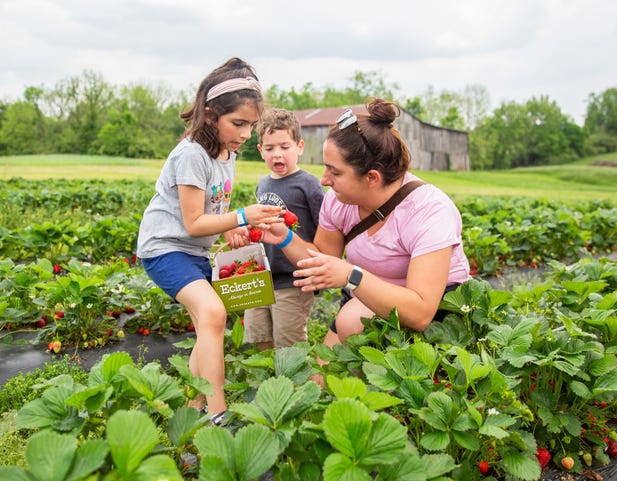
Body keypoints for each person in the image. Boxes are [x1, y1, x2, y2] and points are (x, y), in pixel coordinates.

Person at [256, 97, 470, 354]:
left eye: (334, 172)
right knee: (318, 383)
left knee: (353, 327)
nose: (324, 180)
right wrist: (285, 238)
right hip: (365, 296)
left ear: (372, 177)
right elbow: (322, 260)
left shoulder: (428, 210)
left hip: (435, 314)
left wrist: (351, 275)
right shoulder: (338, 201)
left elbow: (420, 312)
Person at [136, 57, 283, 424]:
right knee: (214, 313)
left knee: (208, 324)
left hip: (192, 250)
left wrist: (230, 227)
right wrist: (242, 216)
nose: (247, 134)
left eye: (251, 125)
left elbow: (211, 213)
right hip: (165, 248)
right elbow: (192, 221)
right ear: (210, 113)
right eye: (238, 123)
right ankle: (219, 415)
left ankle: (194, 408)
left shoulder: (227, 154)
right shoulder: (191, 155)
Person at [243, 108, 325, 350]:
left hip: (293, 279)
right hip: (262, 275)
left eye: (284, 147)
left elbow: (324, 229)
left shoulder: (308, 184)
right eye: (269, 149)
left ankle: (293, 385)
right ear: (260, 151)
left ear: (299, 147)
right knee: (259, 337)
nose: (277, 155)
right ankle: (268, 382)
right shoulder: (263, 183)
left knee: (288, 343)